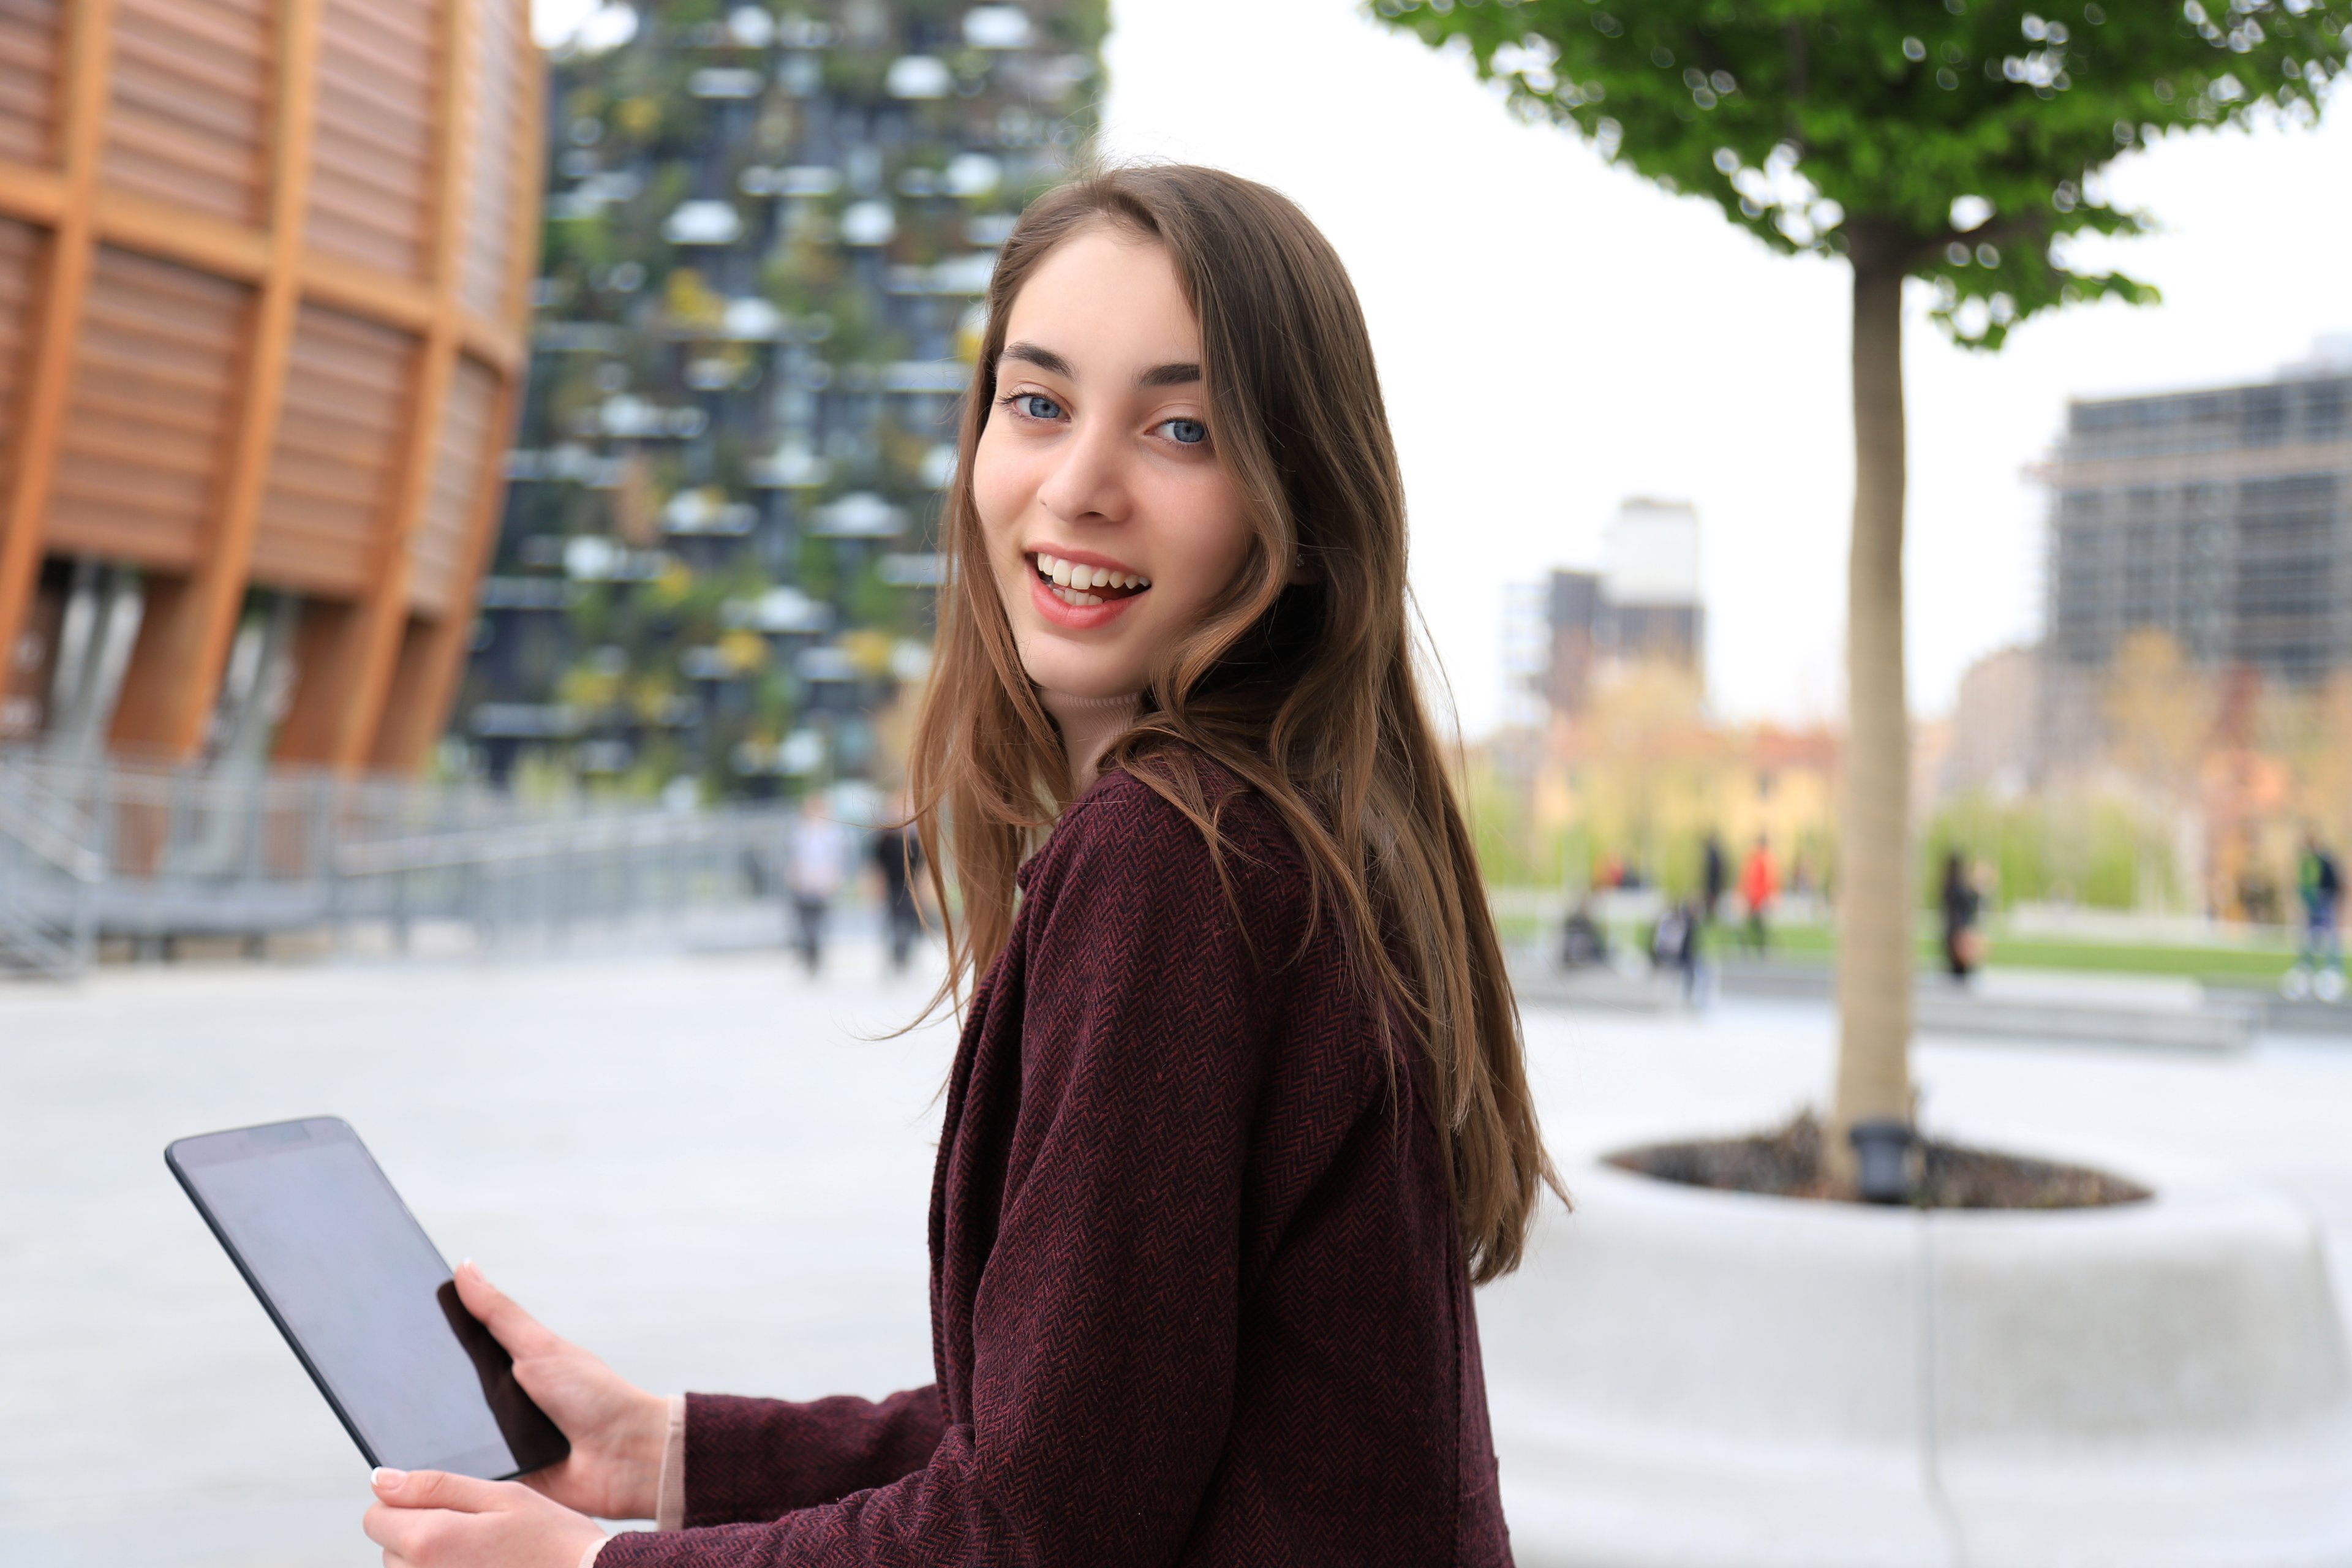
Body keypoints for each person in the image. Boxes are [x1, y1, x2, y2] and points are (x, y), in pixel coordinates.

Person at [361, 165, 1556, 1568]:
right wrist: (665, 1449)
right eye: (1037, 402)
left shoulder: (1177, 856)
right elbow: (1091, 1420)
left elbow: (1034, 1530)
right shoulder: (1291, 825)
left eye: (1179, 428)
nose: (1077, 484)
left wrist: (584, 1564)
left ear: (1293, 503)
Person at [870, 812, 926, 973]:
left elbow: (922, 868)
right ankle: (896, 957)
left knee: (909, 924)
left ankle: (905, 956)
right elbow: (878, 867)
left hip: (911, 890)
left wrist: (922, 891)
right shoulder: (885, 840)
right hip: (891, 888)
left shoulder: (915, 841)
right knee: (894, 924)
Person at [2294, 829, 2344, 1002]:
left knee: (2326, 937)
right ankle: (2308, 968)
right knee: (2312, 937)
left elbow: (2332, 882)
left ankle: (2331, 968)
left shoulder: (2320, 860)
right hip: (2318, 902)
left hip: (2323, 900)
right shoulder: (2311, 861)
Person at [1940, 849, 1984, 982]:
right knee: (1961, 969)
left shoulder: (1948, 885)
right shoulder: (1957, 887)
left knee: (1958, 969)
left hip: (1953, 929)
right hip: (1959, 930)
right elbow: (1970, 905)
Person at [1740, 832, 1776, 957]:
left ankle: (1758, 948)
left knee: (1757, 925)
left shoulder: (1762, 859)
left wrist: (1764, 897)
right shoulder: (1757, 859)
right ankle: (1751, 947)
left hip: (1758, 898)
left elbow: (1766, 881)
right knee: (1754, 925)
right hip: (1755, 898)